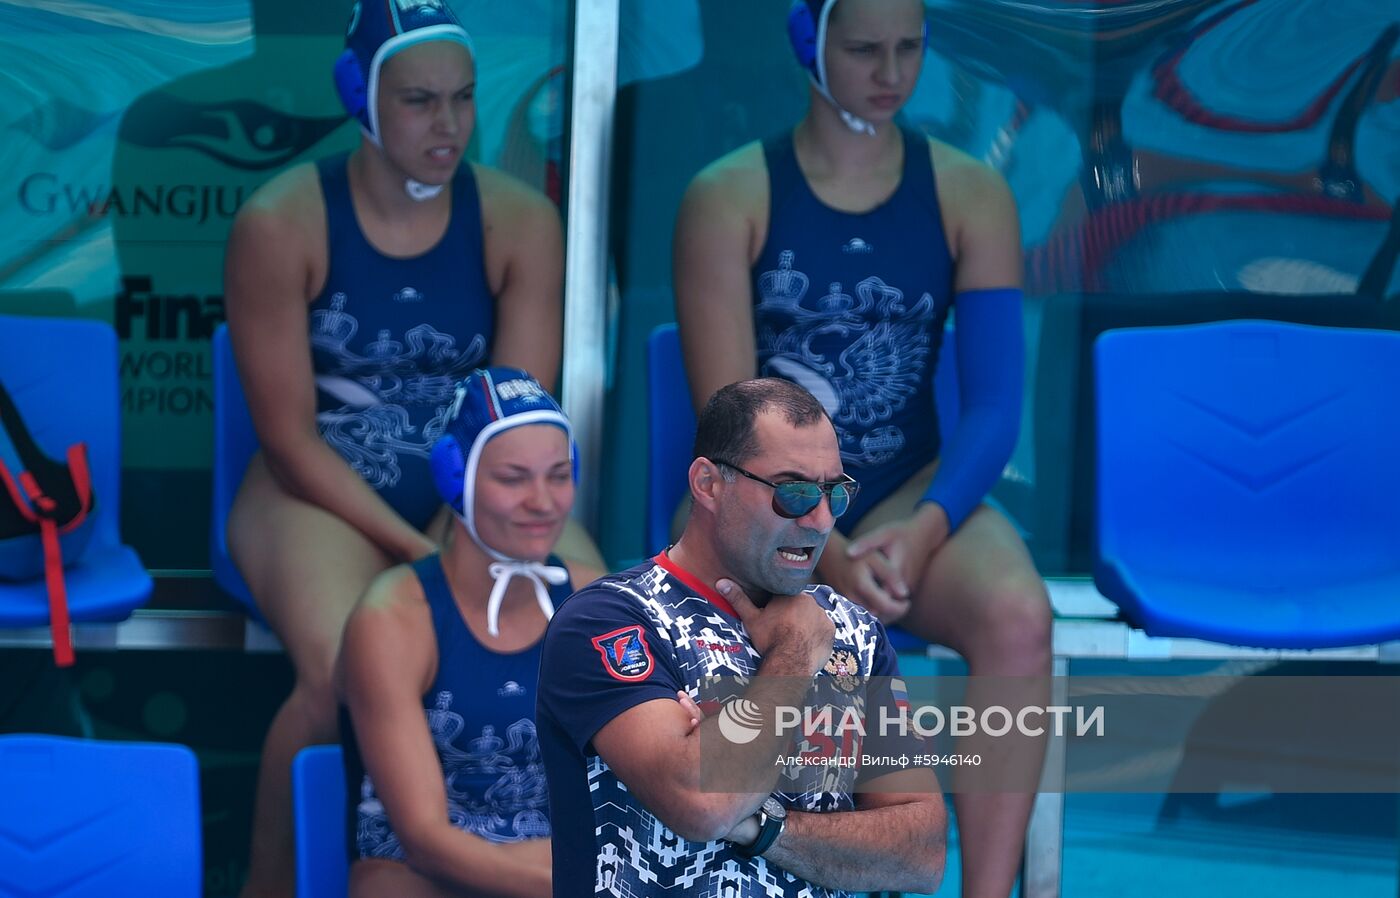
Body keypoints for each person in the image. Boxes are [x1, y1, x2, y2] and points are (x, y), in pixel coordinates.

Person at [671, 2, 1052, 895]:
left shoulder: (969, 193)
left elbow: (996, 408)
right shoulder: (728, 197)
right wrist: (825, 546)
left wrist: (923, 529)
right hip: (764, 500)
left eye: (910, 48)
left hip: (904, 500)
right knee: (760, 637)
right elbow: (728, 422)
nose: (891, 71)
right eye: (864, 48)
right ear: (810, 43)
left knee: (1019, 618)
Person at [222, 3, 600, 893]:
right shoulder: (283, 222)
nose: (448, 126)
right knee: (337, 665)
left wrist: (468, 536)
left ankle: (523, 859)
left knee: (600, 632)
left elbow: (514, 429)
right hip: (315, 492)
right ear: (361, 96)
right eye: (420, 102)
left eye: (463, 101)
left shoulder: (518, 221)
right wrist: (428, 557)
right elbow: (286, 441)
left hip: (475, 489)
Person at [537, 378, 946, 897]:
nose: (820, 521)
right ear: (708, 483)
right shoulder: (611, 621)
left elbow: (923, 854)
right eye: (793, 492)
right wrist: (795, 656)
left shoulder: (854, 632)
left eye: (834, 493)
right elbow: (704, 805)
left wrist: (761, 826)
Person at [336, 368, 604, 898]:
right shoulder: (393, 619)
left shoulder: (600, 605)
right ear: (454, 478)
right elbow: (427, 842)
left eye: (558, 475)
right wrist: (593, 880)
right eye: (513, 478)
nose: (543, 502)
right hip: (427, 875)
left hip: (563, 865)